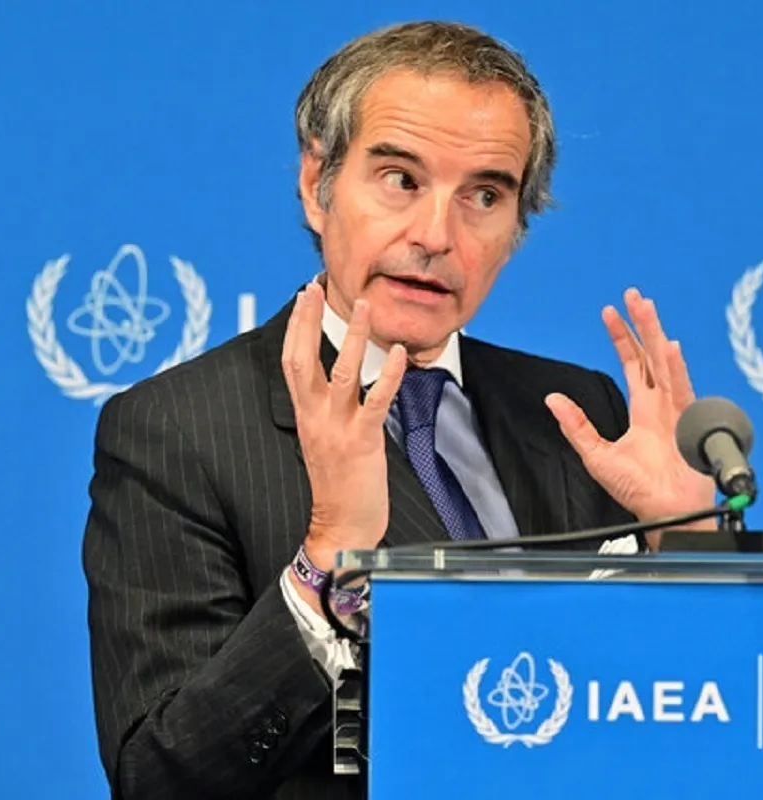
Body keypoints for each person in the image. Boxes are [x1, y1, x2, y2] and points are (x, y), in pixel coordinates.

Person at [83, 20, 714, 800]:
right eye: (400, 179)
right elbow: (160, 777)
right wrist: (328, 559)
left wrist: (692, 543)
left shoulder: (579, 410)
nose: (436, 235)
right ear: (317, 184)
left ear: (516, 228)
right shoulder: (177, 430)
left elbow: (711, 710)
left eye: (485, 195)